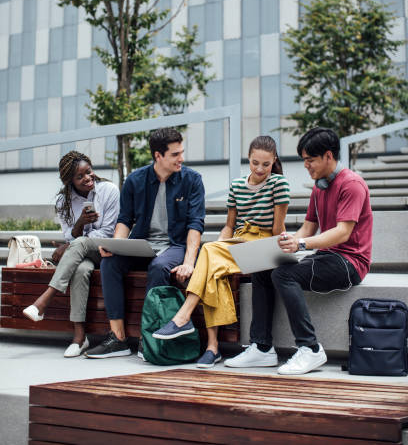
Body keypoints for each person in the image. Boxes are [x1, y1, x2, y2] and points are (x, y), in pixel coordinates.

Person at [226, 127, 373, 375]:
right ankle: (262, 348)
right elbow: (308, 227)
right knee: (265, 267)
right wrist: (287, 242)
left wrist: (302, 245)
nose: (305, 165)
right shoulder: (319, 186)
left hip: (350, 262)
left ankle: (311, 348)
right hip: (326, 255)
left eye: (310, 160)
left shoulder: (352, 184)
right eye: (304, 160)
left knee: (284, 275)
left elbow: (342, 233)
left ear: (328, 156)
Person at [153, 135, 290, 368]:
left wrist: (282, 251)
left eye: (266, 164)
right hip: (239, 241)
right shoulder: (237, 185)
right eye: (255, 162)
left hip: (264, 242)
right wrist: (218, 247)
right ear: (248, 158)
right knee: (211, 260)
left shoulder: (279, 184)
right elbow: (229, 226)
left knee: (209, 256)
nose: (260, 169)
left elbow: (277, 229)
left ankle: (185, 319)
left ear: (274, 160)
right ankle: (212, 347)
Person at [85, 127, 205, 359]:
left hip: (176, 246)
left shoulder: (192, 180)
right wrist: (116, 245)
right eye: (175, 154)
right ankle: (118, 338)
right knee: (109, 263)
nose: (181, 158)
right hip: (143, 245)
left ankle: (147, 339)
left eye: (182, 152)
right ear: (158, 156)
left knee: (159, 266)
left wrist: (189, 262)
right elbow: (125, 220)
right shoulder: (135, 180)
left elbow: (195, 225)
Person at [22, 151, 120, 357]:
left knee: (81, 243)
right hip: (83, 255)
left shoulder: (109, 191)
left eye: (89, 172)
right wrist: (80, 224)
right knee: (81, 269)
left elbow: (109, 231)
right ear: (69, 181)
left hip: (108, 251)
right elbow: (69, 235)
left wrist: (74, 241)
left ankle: (43, 301)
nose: (88, 178)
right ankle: (79, 337)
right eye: (80, 176)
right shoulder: (63, 201)